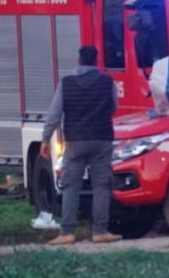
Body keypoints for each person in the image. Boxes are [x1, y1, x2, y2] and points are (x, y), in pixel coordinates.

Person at [41, 46, 121, 244]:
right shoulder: (107, 81)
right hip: (102, 139)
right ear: (97, 60)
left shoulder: (66, 83)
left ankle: (67, 233)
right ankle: (100, 231)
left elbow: (54, 114)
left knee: (70, 186)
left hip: (75, 140)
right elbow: (114, 106)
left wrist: (45, 139)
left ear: (78, 60)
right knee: (101, 185)